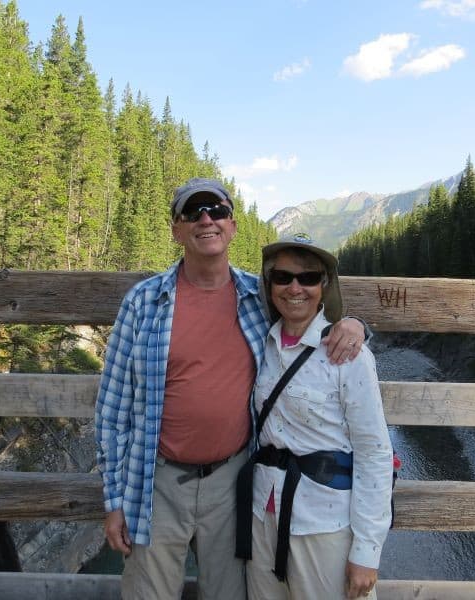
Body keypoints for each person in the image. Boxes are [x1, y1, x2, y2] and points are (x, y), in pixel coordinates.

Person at [94, 178, 367, 600]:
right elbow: (112, 410)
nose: (207, 220)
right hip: (156, 481)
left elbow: (310, 318)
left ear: (232, 225)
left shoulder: (258, 297)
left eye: (217, 210)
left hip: (235, 480)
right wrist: (114, 500)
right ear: (177, 229)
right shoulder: (142, 302)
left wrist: (356, 325)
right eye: (193, 212)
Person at [240, 234, 393, 600]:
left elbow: (374, 453)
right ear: (269, 283)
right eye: (283, 277)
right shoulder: (261, 341)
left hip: (323, 521)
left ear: (324, 286)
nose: (295, 288)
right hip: (263, 515)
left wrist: (367, 552)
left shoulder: (348, 356)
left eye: (308, 278)